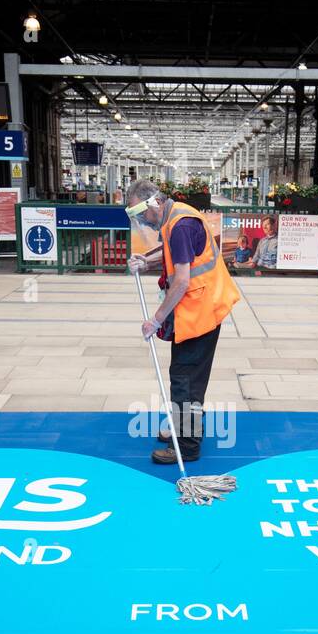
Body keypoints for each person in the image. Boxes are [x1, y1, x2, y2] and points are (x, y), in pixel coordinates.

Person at [124, 179, 240, 464]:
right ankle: (182, 428)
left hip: (201, 313)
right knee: (185, 376)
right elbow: (174, 257)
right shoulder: (175, 215)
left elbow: (182, 281)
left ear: (153, 204)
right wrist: (146, 262)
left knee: (185, 380)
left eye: (141, 214)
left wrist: (156, 319)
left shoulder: (180, 225)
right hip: (196, 310)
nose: (143, 222)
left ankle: (187, 446)